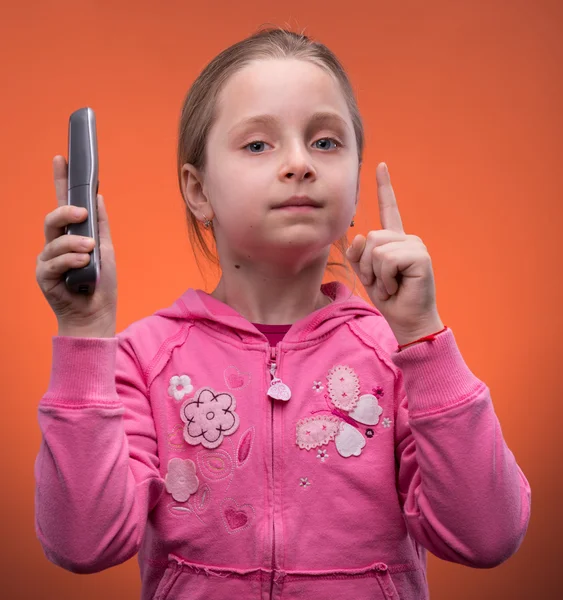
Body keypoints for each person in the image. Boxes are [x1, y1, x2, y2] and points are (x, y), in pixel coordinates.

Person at [34, 26, 531, 600]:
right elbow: (81, 544)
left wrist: (424, 339)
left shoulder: (399, 357)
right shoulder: (142, 361)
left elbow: (487, 536)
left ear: (353, 182)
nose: (299, 164)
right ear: (198, 191)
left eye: (325, 142)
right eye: (258, 145)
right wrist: (84, 336)